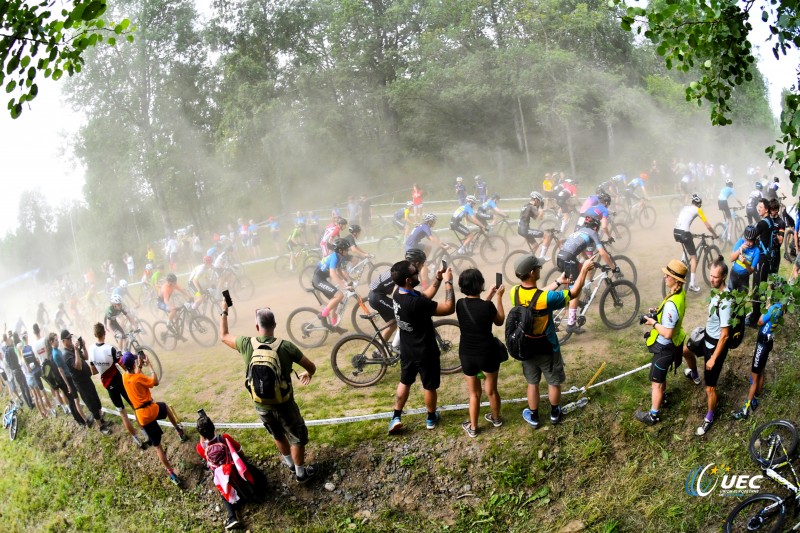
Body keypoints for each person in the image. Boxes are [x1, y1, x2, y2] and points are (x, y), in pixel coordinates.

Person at [220, 305, 319, 483]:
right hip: (285, 404)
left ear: (257, 327)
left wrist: (224, 310)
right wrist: (308, 374)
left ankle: (289, 463)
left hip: (261, 405)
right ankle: (301, 473)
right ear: (274, 325)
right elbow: (311, 366)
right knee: (296, 436)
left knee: (277, 434)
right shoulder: (287, 347)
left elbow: (224, 336)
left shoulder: (246, 343)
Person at [513, 255, 595, 428]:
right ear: (531, 272)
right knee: (553, 382)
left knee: (532, 383)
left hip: (526, 347)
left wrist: (558, 282)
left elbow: (537, 294)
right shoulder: (548, 300)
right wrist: (584, 270)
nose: (540, 269)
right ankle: (554, 414)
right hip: (548, 347)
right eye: (538, 268)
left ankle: (534, 417)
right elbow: (574, 292)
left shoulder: (515, 292)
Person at [387, 260, 455, 434]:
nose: (418, 272)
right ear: (409, 280)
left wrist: (438, 279)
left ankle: (396, 416)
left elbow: (424, 296)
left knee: (405, 381)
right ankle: (431, 418)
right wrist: (448, 282)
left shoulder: (398, 292)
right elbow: (448, 308)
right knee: (429, 386)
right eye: (414, 272)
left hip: (407, 349)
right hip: (425, 351)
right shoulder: (415, 304)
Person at [120, 351, 188, 485]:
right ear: (133, 362)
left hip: (141, 416)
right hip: (151, 409)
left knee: (158, 447)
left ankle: (171, 473)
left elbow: (135, 376)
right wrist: (150, 367)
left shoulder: (124, 377)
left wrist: (138, 367)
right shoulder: (139, 378)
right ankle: (178, 431)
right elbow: (155, 382)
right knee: (166, 407)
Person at [635, 259, 687, 426]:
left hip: (665, 347)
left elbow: (668, 332)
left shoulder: (672, 304)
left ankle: (653, 415)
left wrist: (653, 323)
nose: (665, 276)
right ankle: (663, 399)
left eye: (669, 274)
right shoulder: (678, 294)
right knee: (661, 377)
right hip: (671, 347)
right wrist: (657, 312)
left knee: (656, 384)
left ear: (676, 280)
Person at [682, 257, 731, 436]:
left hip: (714, 347)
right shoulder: (716, 292)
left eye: (716, 277)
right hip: (706, 337)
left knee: (710, 388)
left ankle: (709, 417)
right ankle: (694, 375)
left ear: (724, 276)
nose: (712, 279)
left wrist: (713, 358)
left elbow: (725, 335)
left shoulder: (726, 302)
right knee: (686, 350)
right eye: (711, 275)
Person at [195, 410, 268, 530]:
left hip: (228, 483)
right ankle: (257, 492)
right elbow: (240, 452)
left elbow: (202, 444)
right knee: (252, 470)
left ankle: (232, 516)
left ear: (200, 434)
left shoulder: (200, 448)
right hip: (239, 473)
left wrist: (201, 433)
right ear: (213, 427)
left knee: (222, 491)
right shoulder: (224, 438)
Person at [456, 269, 505, 437]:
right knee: (491, 390)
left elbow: (475, 312)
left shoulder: (460, 304)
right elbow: (499, 320)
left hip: (468, 355)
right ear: (481, 284)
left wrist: (489, 297)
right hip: (487, 354)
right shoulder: (487, 306)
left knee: (474, 394)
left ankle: (474, 428)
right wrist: (498, 297)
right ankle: (496, 418)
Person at [556, 216, 618, 333]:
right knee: (576, 289)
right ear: (595, 227)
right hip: (569, 259)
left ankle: (572, 301)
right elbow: (602, 253)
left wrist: (588, 259)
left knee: (577, 278)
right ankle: (571, 324)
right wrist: (613, 267)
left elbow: (580, 249)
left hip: (561, 257)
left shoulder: (579, 231)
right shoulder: (593, 233)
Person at [90, 323, 148, 448]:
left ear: (95, 334)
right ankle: (145, 432)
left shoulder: (91, 349)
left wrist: (102, 368)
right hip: (120, 382)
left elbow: (93, 371)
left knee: (123, 414)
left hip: (108, 385)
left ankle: (136, 439)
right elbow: (124, 366)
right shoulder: (110, 348)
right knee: (134, 407)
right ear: (104, 333)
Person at [733, 283, 783, 420]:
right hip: (769, 340)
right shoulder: (782, 307)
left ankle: (745, 409)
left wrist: (767, 307)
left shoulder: (773, 308)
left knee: (754, 377)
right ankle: (755, 399)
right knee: (761, 370)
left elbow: (760, 322)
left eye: (773, 291)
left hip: (762, 343)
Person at [368, 249, 426, 346]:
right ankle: (395, 346)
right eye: (422, 263)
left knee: (393, 323)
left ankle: (378, 350)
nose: (423, 266)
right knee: (403, 317)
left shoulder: (405, 268)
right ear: (416, 262)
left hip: (377, 295)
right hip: (377, 297)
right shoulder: (404, 272)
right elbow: (398, 293)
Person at [61, 329, 112, 435]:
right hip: (81, 384)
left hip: (87, 379)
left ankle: (102, 421)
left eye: (71, 338)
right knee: (92, 404)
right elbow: (78, 366)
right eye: (68, 339)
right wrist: (75, 350)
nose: (71, 340)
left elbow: (86, 357)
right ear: (63, 341)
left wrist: (83, 346)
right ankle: (101, 427)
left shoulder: (72, 349)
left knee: (96, 401)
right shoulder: (66, 354)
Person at [673, 194, 718, 292]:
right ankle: (692, 284)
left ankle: (682, 264)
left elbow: (683, 221)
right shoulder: (698, 210)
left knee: (687, 246)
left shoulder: (685, 207)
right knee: (694, 258)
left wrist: (690, 234)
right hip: (684, 233)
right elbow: (708, 225)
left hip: (676, 232)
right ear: (699, 204)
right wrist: (714, 234)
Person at [311, 238, 353, 333]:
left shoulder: (340, 257)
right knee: (339, 295)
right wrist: (344, 286)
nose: (348, 251)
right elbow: (333, 274)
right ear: (340, 250)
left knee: (336, 301)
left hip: (322, 279)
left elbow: (338, 271)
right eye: (346, 249)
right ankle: (323, 315)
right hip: (318, 279)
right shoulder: (334, 257)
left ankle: (335, 326)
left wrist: (347, 281)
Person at [48, 332, 89, 427]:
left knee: (75, 399)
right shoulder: (55, 354)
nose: (57, 341)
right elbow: (60, 370)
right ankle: (83, 420)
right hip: (68, 378)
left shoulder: (57, 351)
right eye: (55, 340)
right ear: (51, 342)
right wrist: (67, 384)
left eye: (57, 339)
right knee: (74, 399)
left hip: (70, 376)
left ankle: (82, 418)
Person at [517, 192, 553, 260]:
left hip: (520, 229)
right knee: (547, 235)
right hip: (525, 230)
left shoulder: (526, 206)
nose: (539, 203)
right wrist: (542, 208)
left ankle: (527, 261)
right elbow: (540, 218)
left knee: (535, 245)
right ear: (536, 200)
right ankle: (541, 258)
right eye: (539, 201)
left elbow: (535, 218)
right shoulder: (532, 206)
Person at [2, 332, 33, 409]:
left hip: (14, 371)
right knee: (25, 386)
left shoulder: (5, 352)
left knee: (22, 388)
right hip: (18, 369)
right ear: (8, 340)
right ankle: (30, 403)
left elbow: (8, 364)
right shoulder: (12, 349)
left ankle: (29, 404)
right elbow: (17, 359)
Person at [728, 225, 760, 292]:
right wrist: (740, 249)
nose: (748, 243)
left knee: (742, 300)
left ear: (754, 240)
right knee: (730, 296)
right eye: (746, 240)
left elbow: (751, 271)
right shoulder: (740, 242)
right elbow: (731, 259)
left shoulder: (756, 251)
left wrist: (745, 263)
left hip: (744, 277)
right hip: (734, 274)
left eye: (750, 241)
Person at [718, 178, 744, 245]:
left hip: (719, 202)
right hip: (724, 202)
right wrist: (742, 205)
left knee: (726, 219)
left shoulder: (723, 188)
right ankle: (729, 238)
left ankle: (723, 227)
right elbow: (737, 199)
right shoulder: (731, 189)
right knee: (731, 222)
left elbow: (722, 197)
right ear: (731, 184)